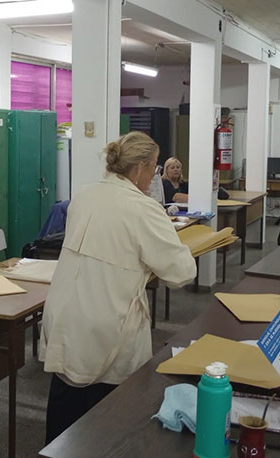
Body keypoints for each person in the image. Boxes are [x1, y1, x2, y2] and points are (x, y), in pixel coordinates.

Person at [40, 132, 196, 444]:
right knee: (106, 424)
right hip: (107, 326)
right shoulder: (143, 208)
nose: (155, 173)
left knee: (63, 420)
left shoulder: (83, 195)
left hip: (65, 317)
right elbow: (181, 272)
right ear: (139, 168)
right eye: (153, 166)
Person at [161, 156, 229, 204]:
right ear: (166, 170)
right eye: (172, 168)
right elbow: (176, 197)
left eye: (178, 167)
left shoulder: (182, 183)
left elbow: (194, 191)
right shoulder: (165, 182)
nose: (176, 169)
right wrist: (201, 199)